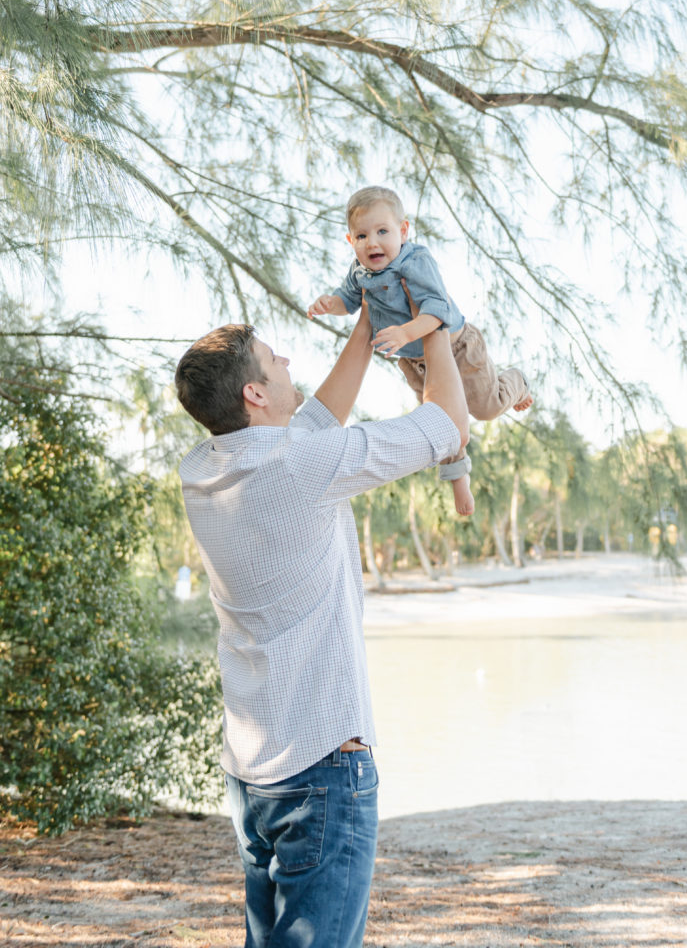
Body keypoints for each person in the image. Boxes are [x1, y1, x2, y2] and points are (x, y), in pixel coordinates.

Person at [174, 300, 468, 948]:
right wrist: (436, 322)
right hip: (321, 769)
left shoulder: (205, 469)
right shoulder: (299, 467)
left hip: (255, 773)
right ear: (254, 392)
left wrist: (369, 318)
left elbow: (312, 420)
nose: (286, 360)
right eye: (274, 359)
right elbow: (448, 425)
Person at [307, 185, 533, 516]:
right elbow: (349, 300)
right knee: (437, 422)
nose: (372, 242)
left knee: (485, 408)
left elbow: (437, 309)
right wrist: (332, 305)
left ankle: (516, 383)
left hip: (456, 346)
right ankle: (458, 479)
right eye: (361, 235)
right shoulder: (359, 272)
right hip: (415, 361)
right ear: (350, 240)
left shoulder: (416, 261)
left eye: (382, 231)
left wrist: (406, 331)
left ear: (402, 230)